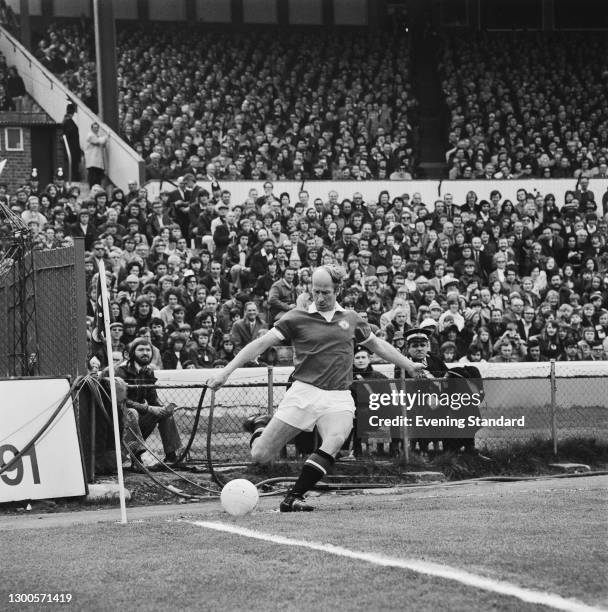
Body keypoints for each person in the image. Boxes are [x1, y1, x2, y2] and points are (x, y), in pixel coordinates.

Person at [207, 265, 424, 512]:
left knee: (336, 438)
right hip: (304, 392)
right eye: (316, 292)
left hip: (338, 396)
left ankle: (293, 498)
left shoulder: (351, 319)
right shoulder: (296, 318)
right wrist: (225, 372)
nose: (320, 298)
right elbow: (259, 344)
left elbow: (378, 346)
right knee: (260, 455)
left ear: (338, 290)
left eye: (326, 292)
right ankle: (260, 424)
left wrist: (409, 365)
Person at [114, 338, 183, 468]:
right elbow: (122, 402)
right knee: (131, 412)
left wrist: (164, 407)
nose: (145, 353)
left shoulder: (148, 371)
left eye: (148, 350)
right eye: (141, 350)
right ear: (131, 353)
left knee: (165, 414)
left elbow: (153, 398)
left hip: (138, 417)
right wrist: (150, 409)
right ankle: (137, 457)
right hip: (119, 420)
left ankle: (171, 456)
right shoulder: (119, 371)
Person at [400, 327, 448, 455]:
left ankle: (447, 449)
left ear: (428, 346)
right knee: (421, 413)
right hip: (413, 401)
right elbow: (401, 385)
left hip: (437, 400)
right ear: (408, 348)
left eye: (423, 345)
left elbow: (446, 376)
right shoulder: (404, 363)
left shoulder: (435, 360)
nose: (419, 349)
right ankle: (423, 448)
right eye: (415, 346)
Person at [61, 103, 82, 181]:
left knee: (74, 167)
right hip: (72, 149)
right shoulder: (68, 122)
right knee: (73, 168)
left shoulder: (67, 121)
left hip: (73, 149)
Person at [85, 121, 109, 187]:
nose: (96, 129)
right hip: (92, 161)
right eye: (94, 127)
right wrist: (107, 136)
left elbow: (102, 143)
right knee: (92, 177)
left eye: (97, 127)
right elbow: (99, 141)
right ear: (91, 128)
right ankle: (92, 189)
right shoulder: (90, 135)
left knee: (98, 178)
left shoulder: (97, 136)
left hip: (97, 161)